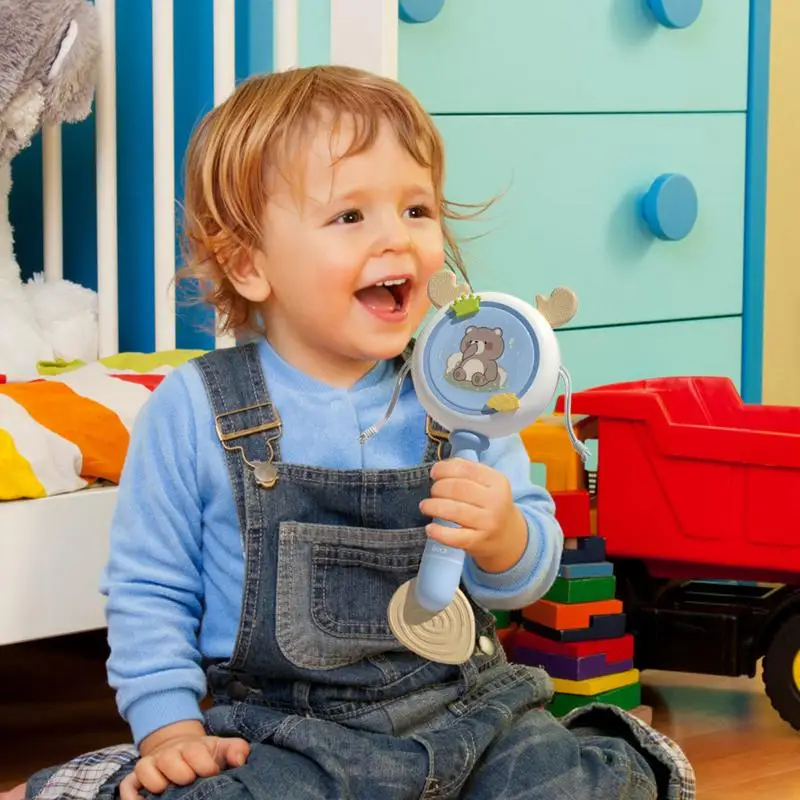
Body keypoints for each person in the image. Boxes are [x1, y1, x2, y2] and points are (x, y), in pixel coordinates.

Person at [10, 65, 694, 800]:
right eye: (350, 217)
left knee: (559, 783)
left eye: (416, 209)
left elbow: (523, 579)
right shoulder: (194, 409)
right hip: (289, 737)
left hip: (471, 714)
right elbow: (151, 591)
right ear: (248, 263)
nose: (395, 240)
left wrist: (503, 535)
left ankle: (621, 755)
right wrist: (171, 730)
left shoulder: (464, 400)